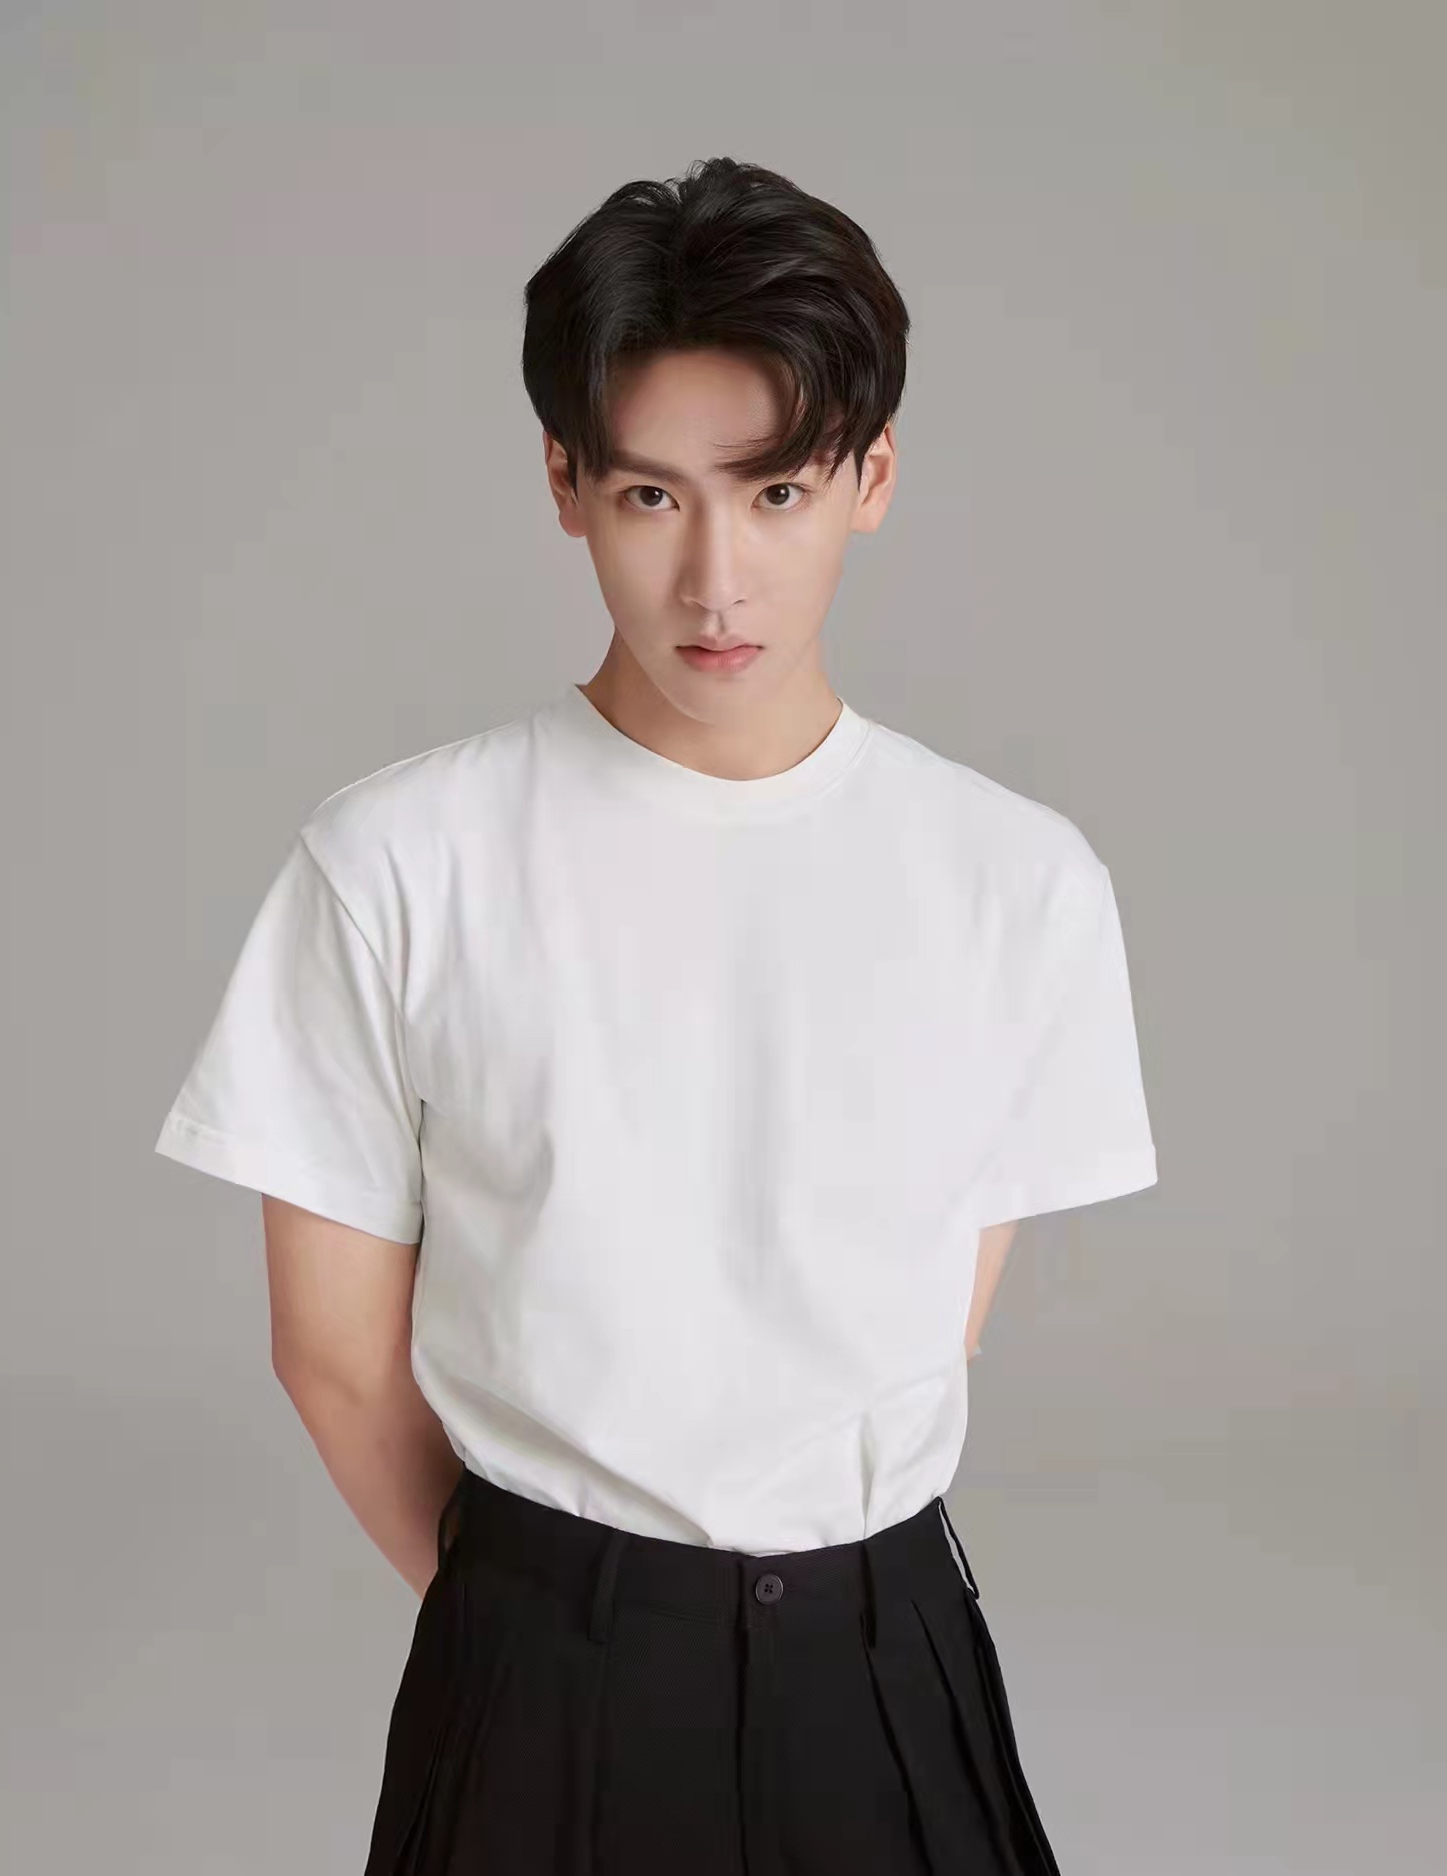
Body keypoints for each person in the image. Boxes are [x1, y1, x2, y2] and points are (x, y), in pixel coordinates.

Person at [154, 155, 1158, 1876]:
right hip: (543, 1659)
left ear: (872, 479)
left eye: (777, 494)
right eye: (649, 496)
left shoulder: (1015, 878)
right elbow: (329, 1351)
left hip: (886, 1662)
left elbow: (931, 1315)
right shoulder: (399, 859)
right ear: (563, 481)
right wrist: (557, 1618)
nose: (716, 581)